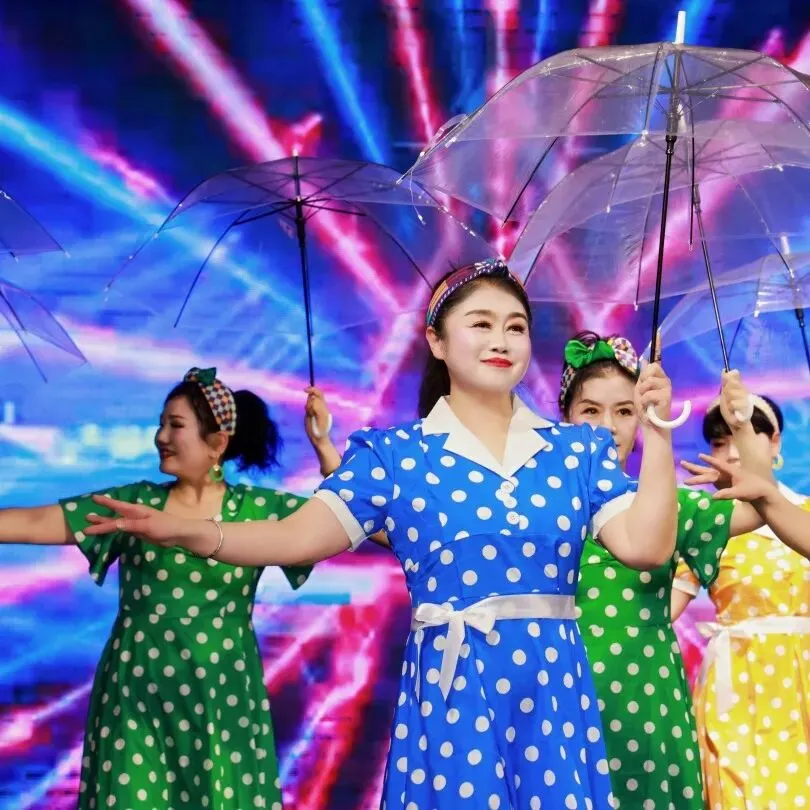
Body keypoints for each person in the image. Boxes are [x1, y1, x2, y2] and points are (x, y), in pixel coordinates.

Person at [83, 258, 679, 810]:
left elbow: (645, 546)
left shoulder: (575, 450)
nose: (501, 340)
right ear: (436, 341)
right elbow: (294, 538)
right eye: (481, 323)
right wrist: (185, 531)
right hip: (453, 693)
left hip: (552, 695)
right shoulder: (395, 456)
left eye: (516, 327)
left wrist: (658, 436)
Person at [0, 367, 336, 810]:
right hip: (137, 691)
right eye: (161, 424)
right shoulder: (136, 504)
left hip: (222, 694)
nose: (161, 436)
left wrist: (324, 445)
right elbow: (35, 522)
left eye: (175, 425)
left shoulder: (259, 509)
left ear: (217, 443)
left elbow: (354, 521)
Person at [559, 332, 763, 810]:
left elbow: (759, 508)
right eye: (590, 410)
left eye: (624, 411)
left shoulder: (663, 504)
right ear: (564, 418)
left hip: (649, 698)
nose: (607, 427)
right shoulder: (538, 505)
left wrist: (742, 424)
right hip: (561, 691)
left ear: (642, 419)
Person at [671, 374, 810, 809]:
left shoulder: (806, 514)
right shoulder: (710, 524)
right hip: (738, 686)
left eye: (745, 432)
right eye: (719, 442)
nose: (732, 451)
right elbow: (664, 608)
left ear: (775, 442)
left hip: (803, 680)